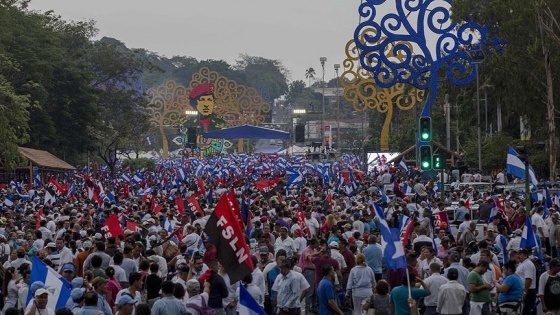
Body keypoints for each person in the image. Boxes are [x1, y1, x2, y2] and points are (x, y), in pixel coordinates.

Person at [515, 248, 537, 315]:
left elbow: (528, 279)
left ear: (525, 255)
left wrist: (525, 292)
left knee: (528, 311)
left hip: (528, 291)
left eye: (520, 254)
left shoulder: (528, 264)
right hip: (522, 290)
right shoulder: (521, 264)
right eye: (517, 254)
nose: (518, 256)